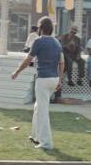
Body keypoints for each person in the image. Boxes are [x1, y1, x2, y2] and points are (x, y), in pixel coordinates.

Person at [11, 16, 63, 150]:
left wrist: (17, 71)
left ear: (40, 28)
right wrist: (60, 80)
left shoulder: (38, 41)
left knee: (42, 111)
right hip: (54, 78)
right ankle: (35, 136)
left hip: (43, 79)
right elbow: (62, 62)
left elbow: (28, 59)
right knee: (38, 107)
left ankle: (46, 143)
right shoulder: (57, 42)